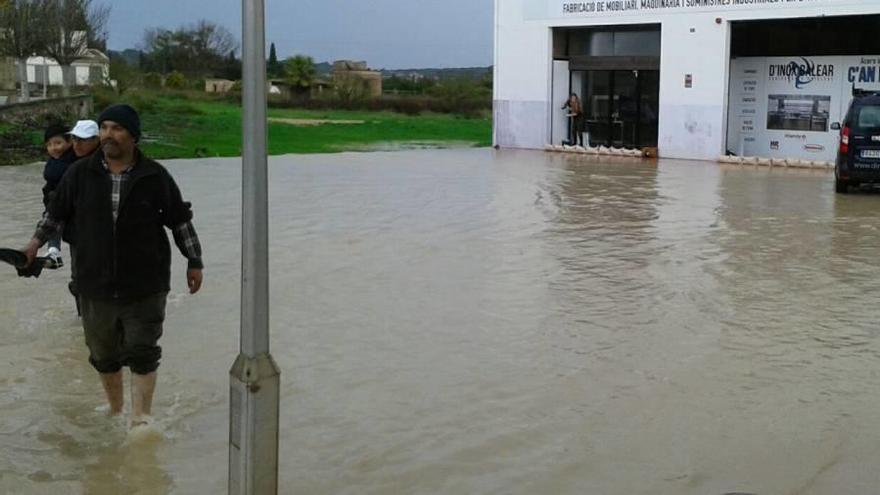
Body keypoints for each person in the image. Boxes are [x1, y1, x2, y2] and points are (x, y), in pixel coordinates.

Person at [22, 104, 204, 427]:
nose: (108, 134)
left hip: (145, 284)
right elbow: (55, 214)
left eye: (116, 128)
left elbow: (180, 221)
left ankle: (141, 420)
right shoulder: (79, 174)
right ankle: (117, 410)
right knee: (103, 354)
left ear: (133, 136)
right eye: (104, 127)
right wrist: (34, 244)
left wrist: (194, 260)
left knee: (143, 351)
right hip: (94, 283)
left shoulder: (155, 176)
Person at [64, 119, 100, 312]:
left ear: (96, 140)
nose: (77, 143)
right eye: (74, 138)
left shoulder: (107, 164)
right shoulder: (67, 164)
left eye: (83, 140)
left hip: (102, 234)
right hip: (77, 233)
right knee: (79, 279)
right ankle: (83, 317)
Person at [41, 122, 77, 268]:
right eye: (49, 145)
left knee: (53, 220)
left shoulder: (72, 158)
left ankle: (53, 252)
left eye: (58, 143)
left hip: (67, 203)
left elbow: (51, 174)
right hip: (56, 202)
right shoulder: (56, 160)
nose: (53, 148)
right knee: (51, 221)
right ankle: (53, 252)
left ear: (69, 142)